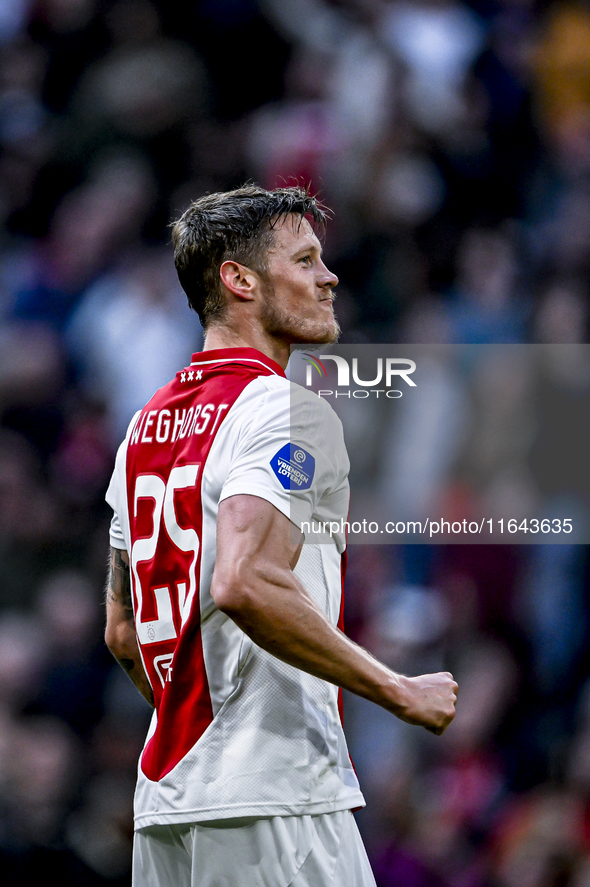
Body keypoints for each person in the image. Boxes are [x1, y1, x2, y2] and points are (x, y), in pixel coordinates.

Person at [104, 183, 458, 887]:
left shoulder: (142, 429)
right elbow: (245, 581)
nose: (328, 277)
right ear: (239, 280)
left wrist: (204, 726)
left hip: (168, 806)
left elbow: (122, 630)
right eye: (303, 260)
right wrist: (396, 689)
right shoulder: (286, 409)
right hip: (274, 799)